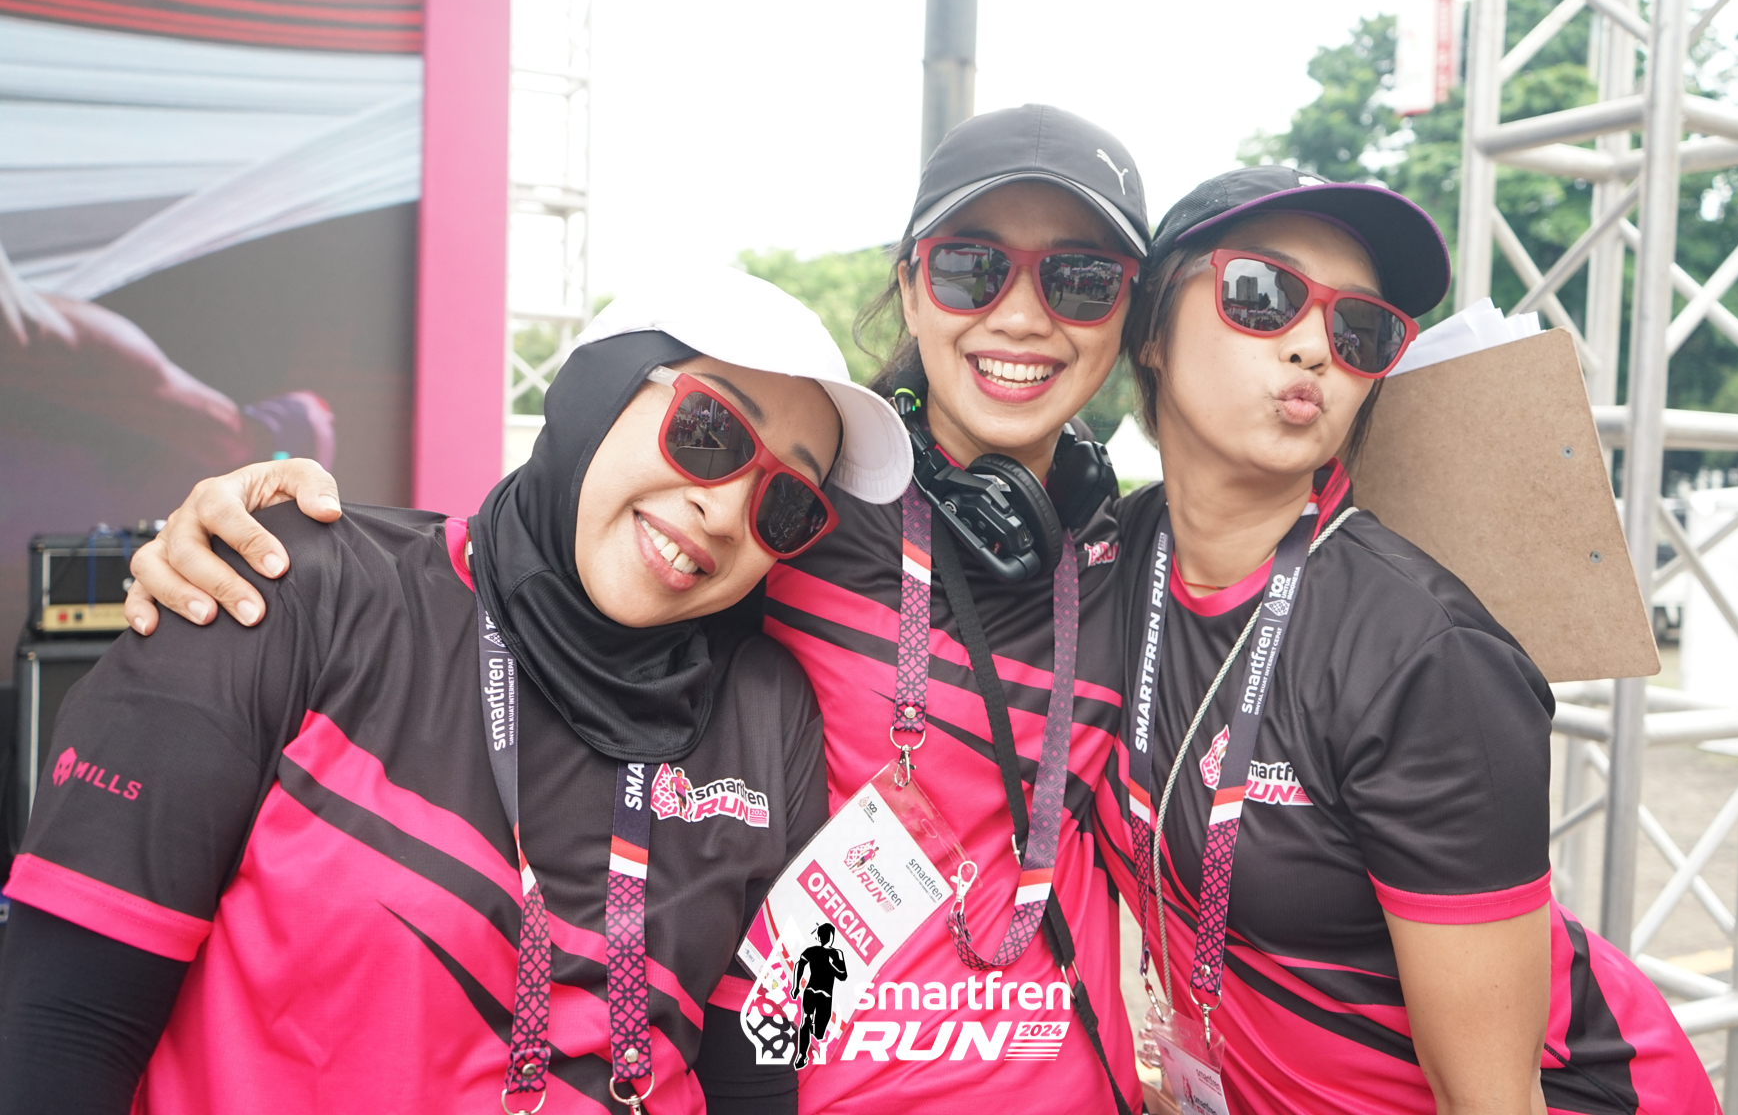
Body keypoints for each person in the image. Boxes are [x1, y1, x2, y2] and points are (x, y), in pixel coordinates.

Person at [112, 104, 1151, 1114]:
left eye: (1081, 279)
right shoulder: (797, 529)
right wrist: (265, 528)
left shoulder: (1138, 565)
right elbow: (550, 553)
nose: (1023, 314)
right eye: (971, 266)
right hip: (814, 1074)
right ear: (913, 288)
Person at [0, 267, 915, 1115]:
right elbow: (61, 1029)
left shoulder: (769, 716)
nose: (725, 509)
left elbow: (760, 1068)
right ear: (597, 390)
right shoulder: (293, 584)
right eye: (709, 431)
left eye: (785, 502)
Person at [1111, 166, 1717, 1114]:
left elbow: (1491, 1099)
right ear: (1150, 327)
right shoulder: (1113, 562)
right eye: (1261, 296)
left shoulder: (1427, 656)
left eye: (1359, 330)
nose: (1314, 347)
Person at [790, 925, 847, 1069]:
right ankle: (802, 1055)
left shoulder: (836, 954)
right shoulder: (812, 951)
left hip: (824, 996)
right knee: (806, 1021)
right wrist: (795, 986)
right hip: (812, 991)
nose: (827, 938)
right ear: (821, 937)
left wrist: (831, 966)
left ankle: (812, 1029)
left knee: (818, 1033)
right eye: (825, 935)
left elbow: (843, 975)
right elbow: (799, 965)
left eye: (828, 935)